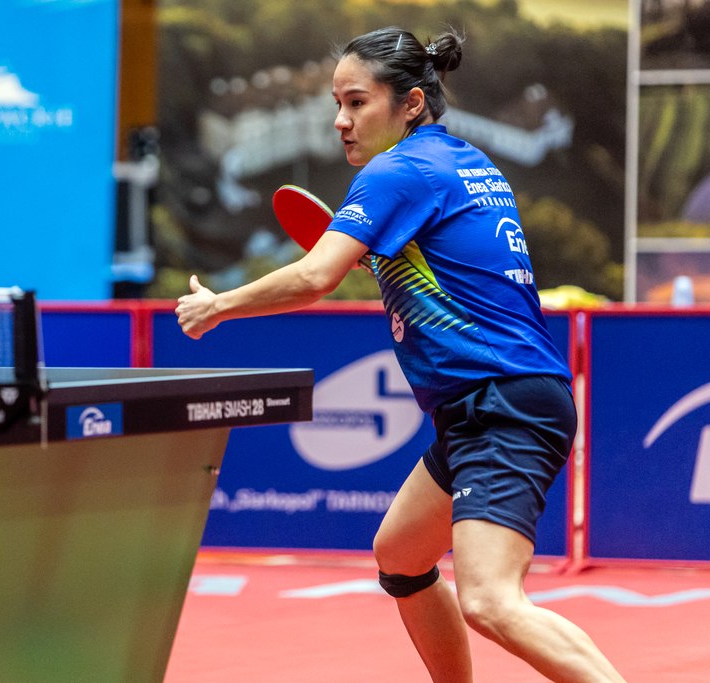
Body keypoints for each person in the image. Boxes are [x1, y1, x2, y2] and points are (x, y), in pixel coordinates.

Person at [175, 26, 625, 682]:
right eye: (337, 103)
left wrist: (219, 306)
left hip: (499, 404)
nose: (340, 120)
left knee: (491, 600)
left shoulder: (396, 171)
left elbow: (314, 276)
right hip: (500, 398)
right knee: (401, 556)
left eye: (357, 102)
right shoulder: (465, 161)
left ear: (411, 102)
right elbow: (454, 268)